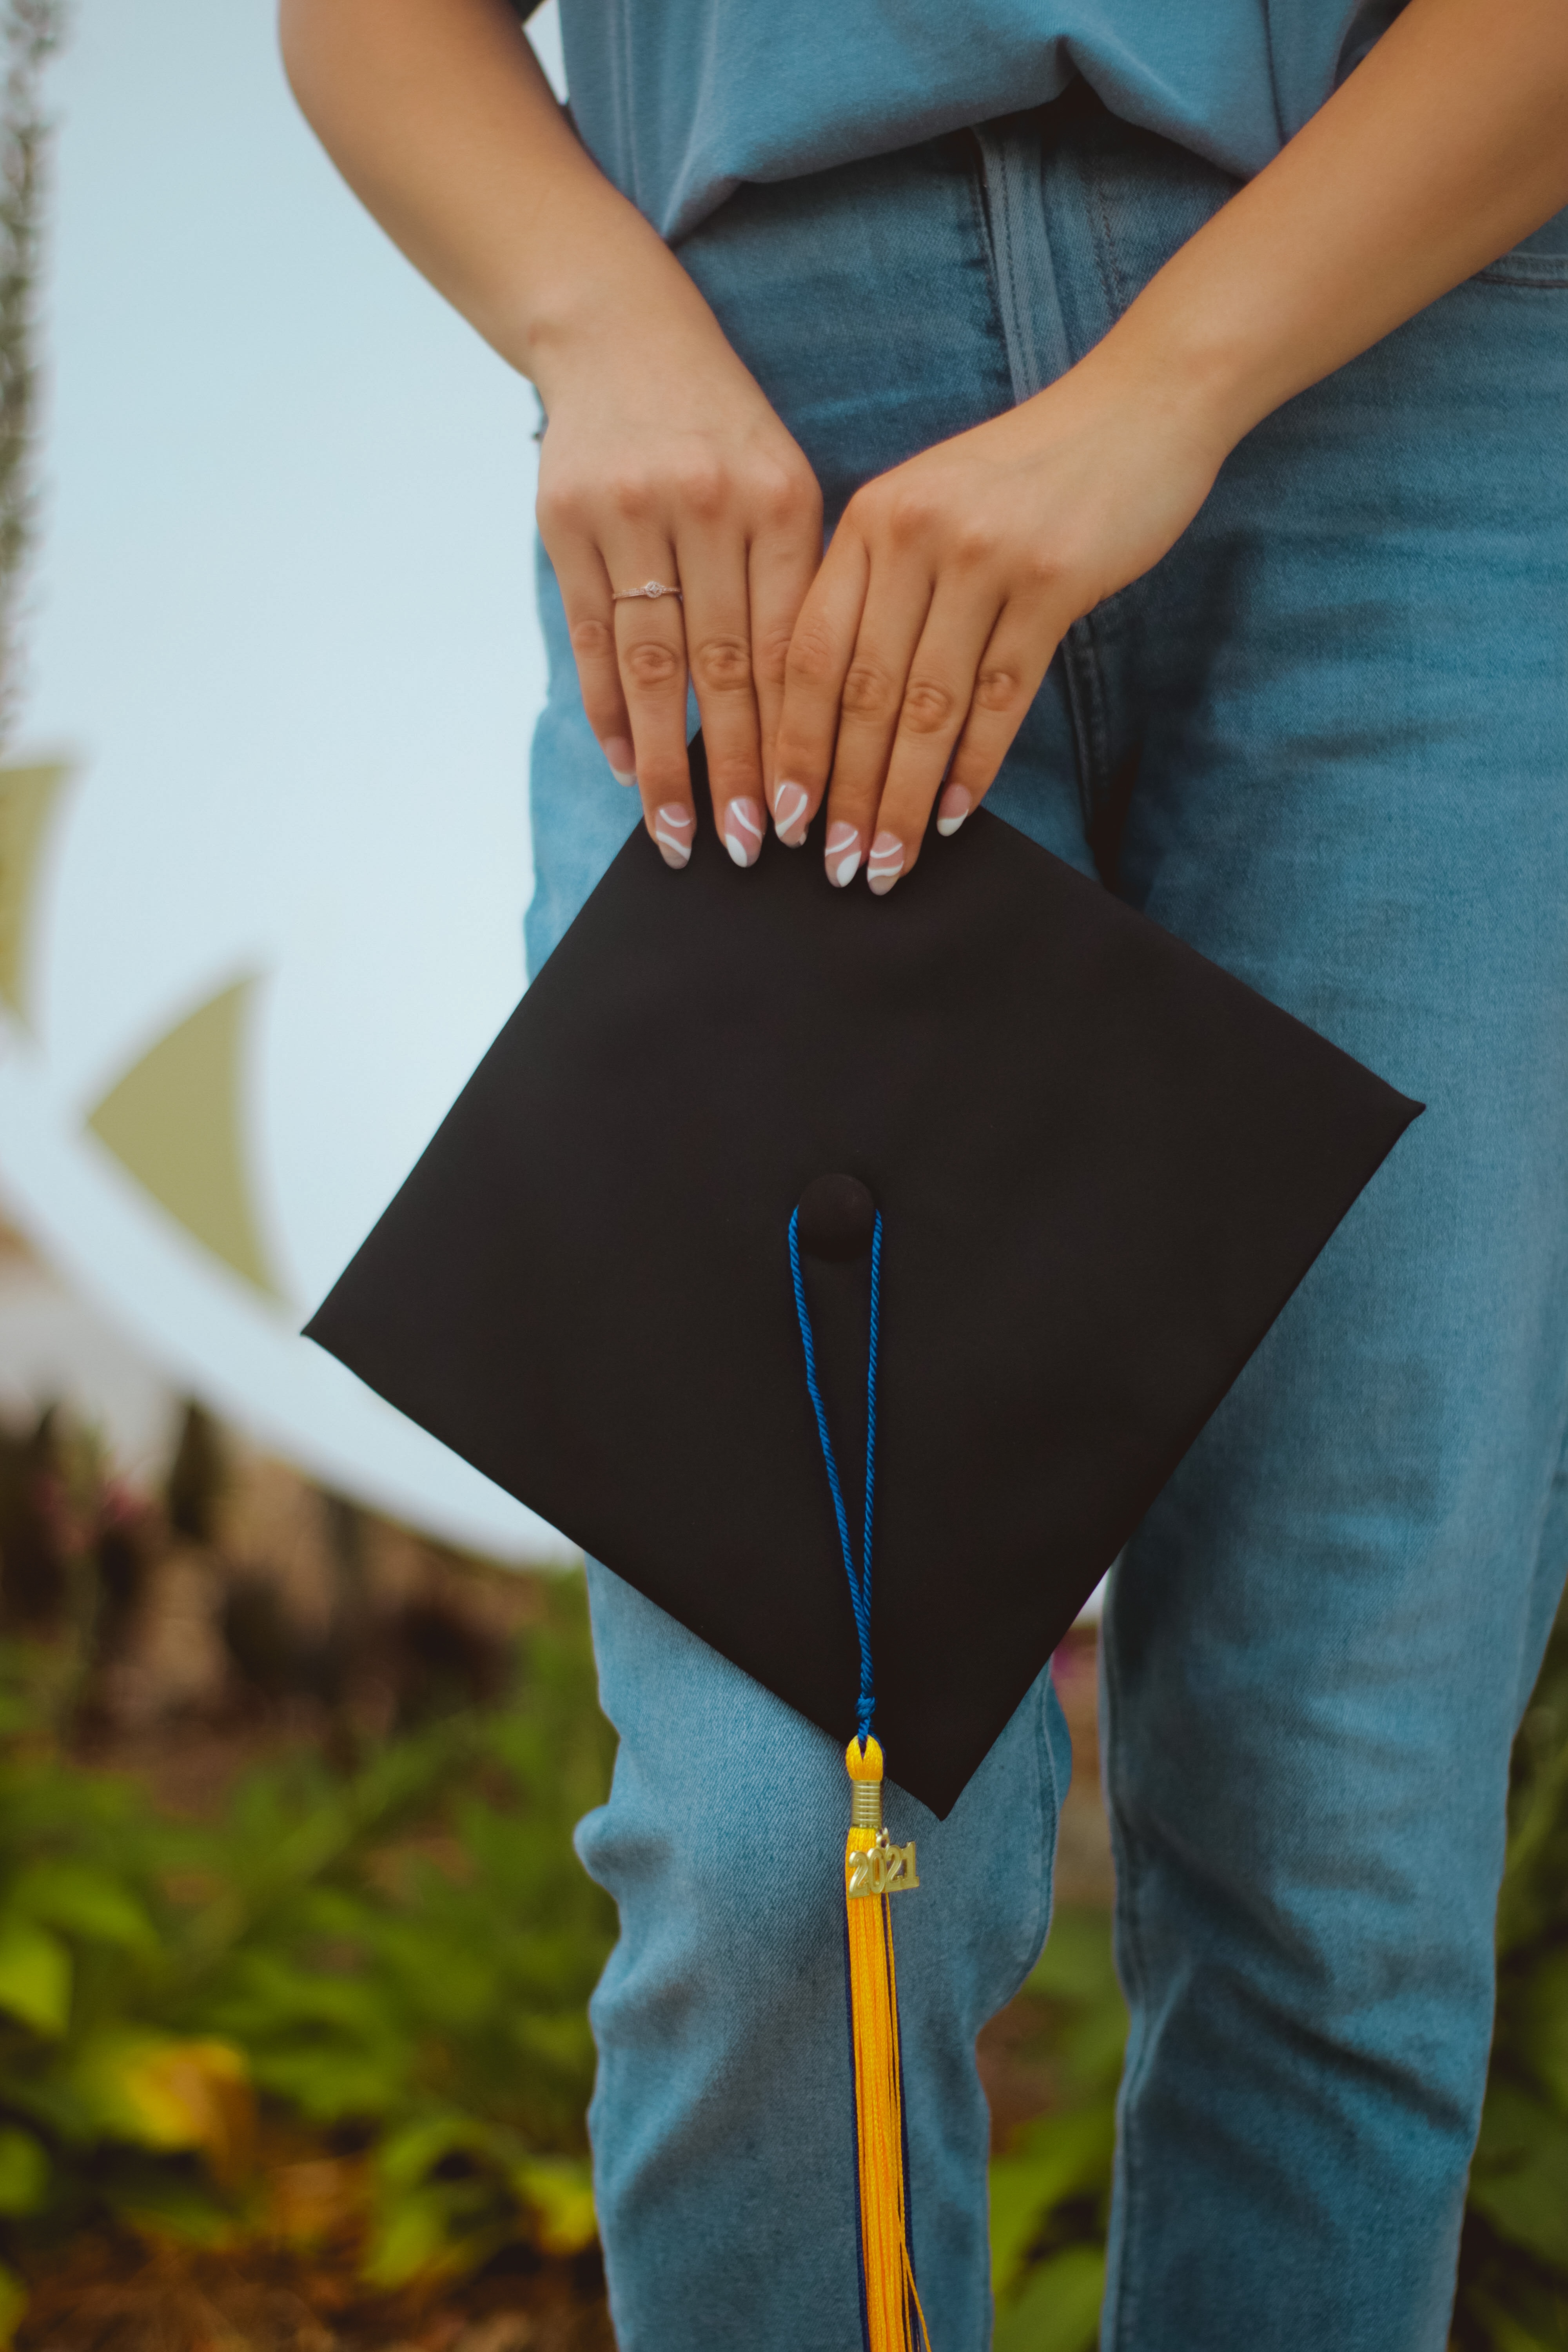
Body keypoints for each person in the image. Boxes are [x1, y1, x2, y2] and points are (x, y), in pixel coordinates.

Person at [277, 4, 1568, 2345]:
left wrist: (1162, 393)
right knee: (789, 1858)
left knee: (1339, 1836)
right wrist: (601, 337)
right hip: (761, 444)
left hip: (1436, 409)